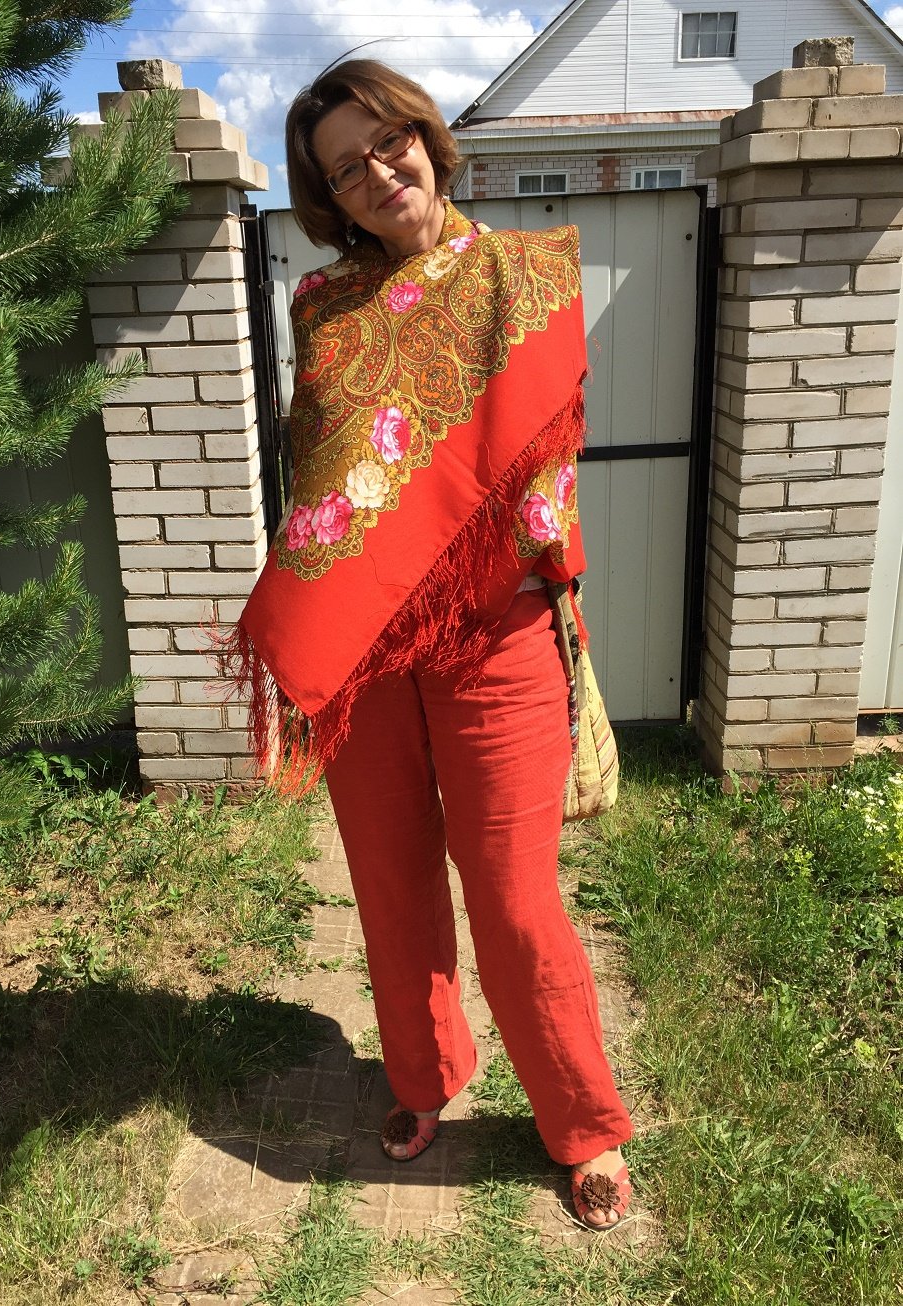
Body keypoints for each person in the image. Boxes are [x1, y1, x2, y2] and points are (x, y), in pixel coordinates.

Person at [223, 59, 633, 1231]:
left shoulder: (526, 274)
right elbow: (327, 487)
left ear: (423, 134)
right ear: (326, 197)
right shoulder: (322, 307)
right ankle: (422, 1075)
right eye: (341, 169)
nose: (374, 173)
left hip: (494, 635)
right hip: (368, 649)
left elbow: (540, 462)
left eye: (385, 142)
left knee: (514, 900)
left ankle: (582, 1121)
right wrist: (312, 620)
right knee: (390, 885)